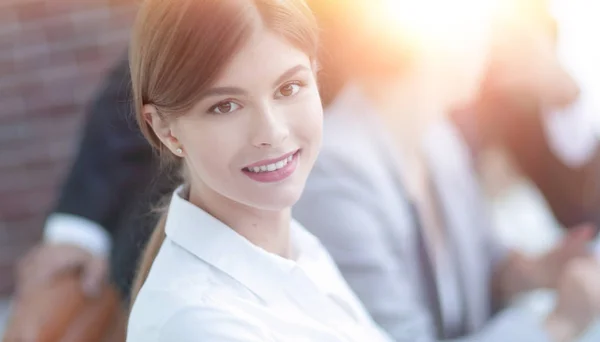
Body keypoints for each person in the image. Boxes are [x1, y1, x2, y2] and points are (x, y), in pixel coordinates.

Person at [293, 0, 600, 341]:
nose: (490, 46)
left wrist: (535, 271)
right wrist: (560, 325)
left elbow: (486, 264)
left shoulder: (438, 137)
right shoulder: (334, 173)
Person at [125, 0, 392, 341]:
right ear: (166, 129)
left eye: (289, 88)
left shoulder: (294, 245)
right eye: (225, 106)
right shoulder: (197, 323)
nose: (272, 132)